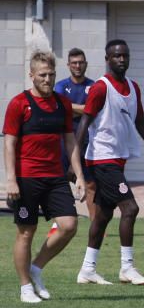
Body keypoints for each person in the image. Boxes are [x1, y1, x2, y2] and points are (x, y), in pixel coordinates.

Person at [75, 40, 144, 286]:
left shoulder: (133, 87)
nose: (121, 60)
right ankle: (127, 268)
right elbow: (84, 122)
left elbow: (141, 122)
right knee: (130, 208)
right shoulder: (100, 88)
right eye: (116, 56)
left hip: (117, 160)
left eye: (125, 56)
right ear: (107, 59)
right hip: (101, 159)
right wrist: (74, 160)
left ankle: (87, 270)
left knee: (103, 215)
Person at [4, 51, 85, 303]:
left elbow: (70, 142)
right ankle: (25, 287)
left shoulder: (62, 104)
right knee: (26, 233)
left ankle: (36, 269)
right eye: (42, 75)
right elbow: (9, 144)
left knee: (69, 225)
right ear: (31, 75)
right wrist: (11, 179)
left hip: (55, 178)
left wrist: (79, 175)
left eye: (51, 74)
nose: (47, 79)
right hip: (27, 178)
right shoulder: (19, 103)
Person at [54, 48, 96, 219]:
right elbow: (60, 106)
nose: (78, 66)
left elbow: (96, 111)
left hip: (87, 143)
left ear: (85, 64)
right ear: (69, 65)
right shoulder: (61, 86)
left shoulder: (93, 86)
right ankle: (59, 222)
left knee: (91, 185)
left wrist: (71, 107)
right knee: (60, 183)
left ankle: (96, 226)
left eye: (80, 62)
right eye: (74, 63)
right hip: (65, 143)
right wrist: (85, 108)